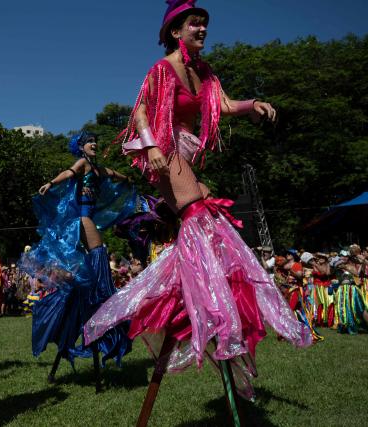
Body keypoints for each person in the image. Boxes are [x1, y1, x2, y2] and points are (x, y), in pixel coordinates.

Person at [83, 1, 310, 423]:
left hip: (182, 151)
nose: (202, 29)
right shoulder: (163, 68)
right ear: (175, 31)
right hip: (161, 152)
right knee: (199, 210)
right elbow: (140, 113)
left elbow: (221, 104)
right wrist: (150, 145)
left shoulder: (203, 71)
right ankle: (199, 293)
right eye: (194, 23)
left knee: (206, 219)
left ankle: (193, 293)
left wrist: (253, 104)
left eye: (205, 23)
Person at [21, 131, 136, 390]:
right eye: (89, 141)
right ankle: (99, 291)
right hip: (82, 220)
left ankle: (89, 294)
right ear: (81, 147)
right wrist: (51, 183)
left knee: (91, 269)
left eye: (96, 140)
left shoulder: (98, 168)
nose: (95, 143)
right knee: (99, 254)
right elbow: (70, 173)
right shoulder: (83, 164)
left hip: (89, 218)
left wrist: (127, 178)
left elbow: (113, 175)